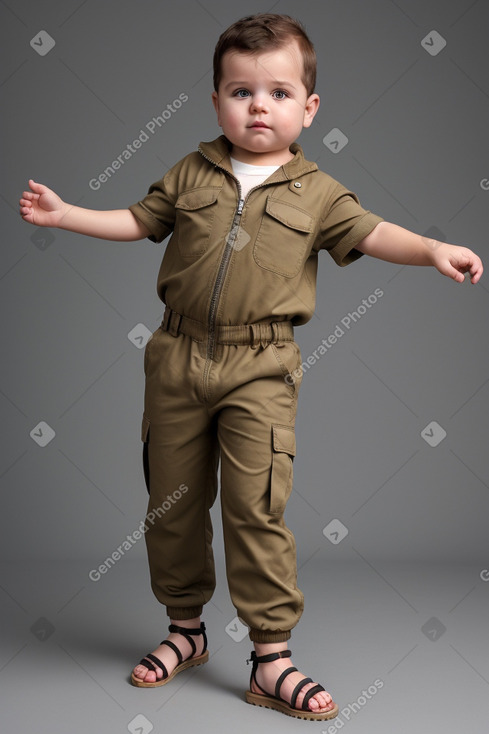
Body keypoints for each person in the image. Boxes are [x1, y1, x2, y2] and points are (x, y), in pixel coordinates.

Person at [19, 12, 482, 722]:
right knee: (169, 504)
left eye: (276, 92)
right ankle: (185, 632)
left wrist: (430, 250)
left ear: (308, 107)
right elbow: (139, 222)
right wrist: (66, 215)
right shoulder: (190, 170)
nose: (258, 105)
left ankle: (271, 659)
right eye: (239, 91)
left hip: (260, 366)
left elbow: (371, 231)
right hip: (175, 358)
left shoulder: (318, 192)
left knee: (255, 505)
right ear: (216, 102)